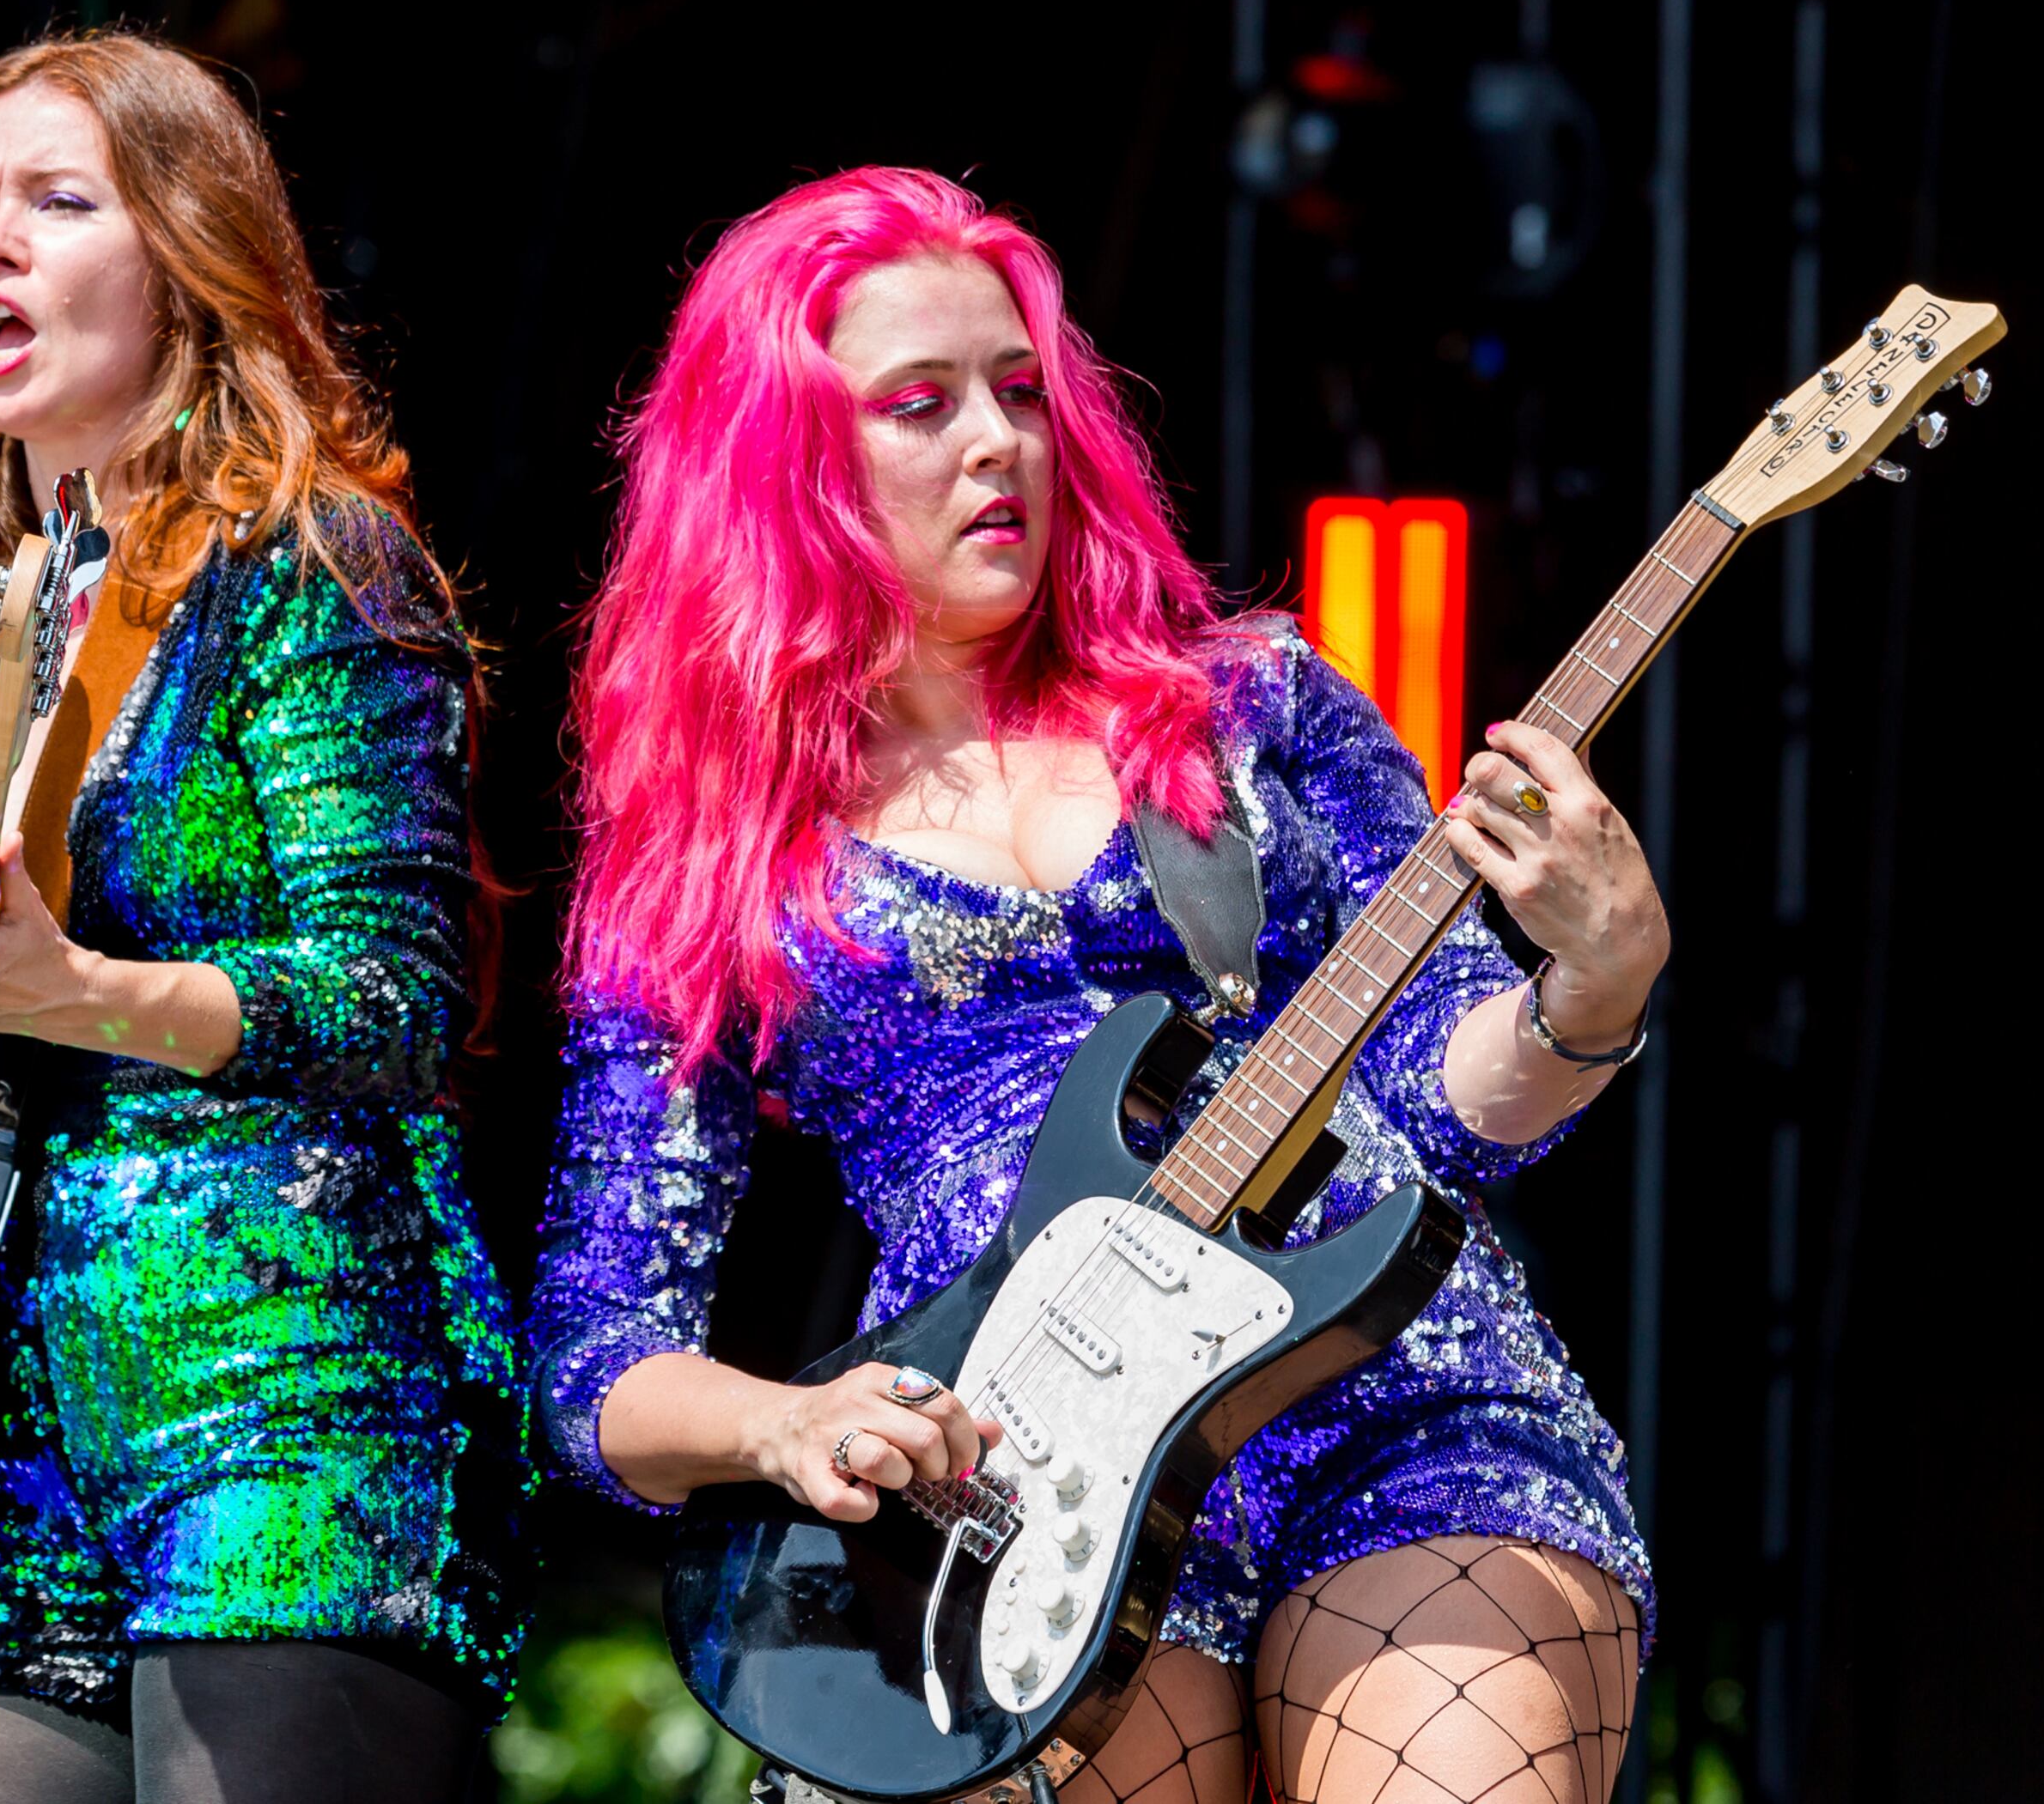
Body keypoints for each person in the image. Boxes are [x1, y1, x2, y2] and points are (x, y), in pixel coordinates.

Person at [532, 167, 1655, 1804]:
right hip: (1019, 1487)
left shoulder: (1248, 710)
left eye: (1018, 390)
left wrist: (1596, 990)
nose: (997, 439)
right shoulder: (713, 851)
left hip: (1394, 1399)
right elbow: (598, 1356)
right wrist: (788, 1426)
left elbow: (1440, 1103)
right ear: (785, 466)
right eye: (919, 405)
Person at [0, 31, 527, 1804]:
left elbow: (396, 995)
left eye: (56, 202)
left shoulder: (316, 560)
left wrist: (84, 990)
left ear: (187, 260)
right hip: (16, 1420)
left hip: (284, 1397)